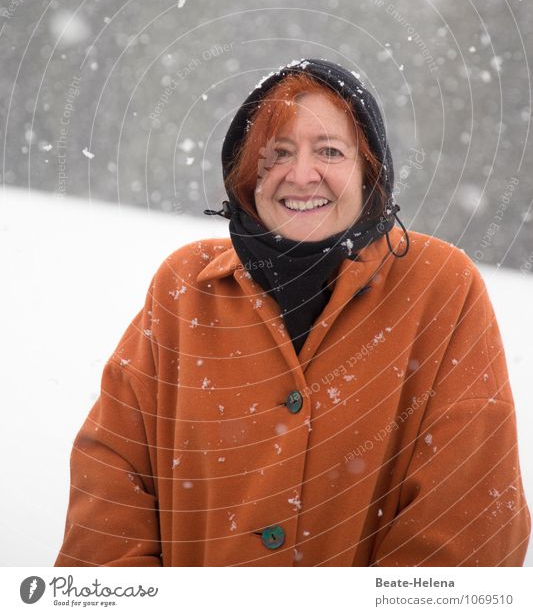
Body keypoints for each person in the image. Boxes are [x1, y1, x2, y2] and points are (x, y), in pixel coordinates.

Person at [54, 57, 530, 567]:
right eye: (278, 153)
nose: (302, 175)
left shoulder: (440, 285)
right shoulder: (184, 285)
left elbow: (469, 508)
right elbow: (114, 472)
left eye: (329, 150)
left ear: (370, 171)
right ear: (247, 174)